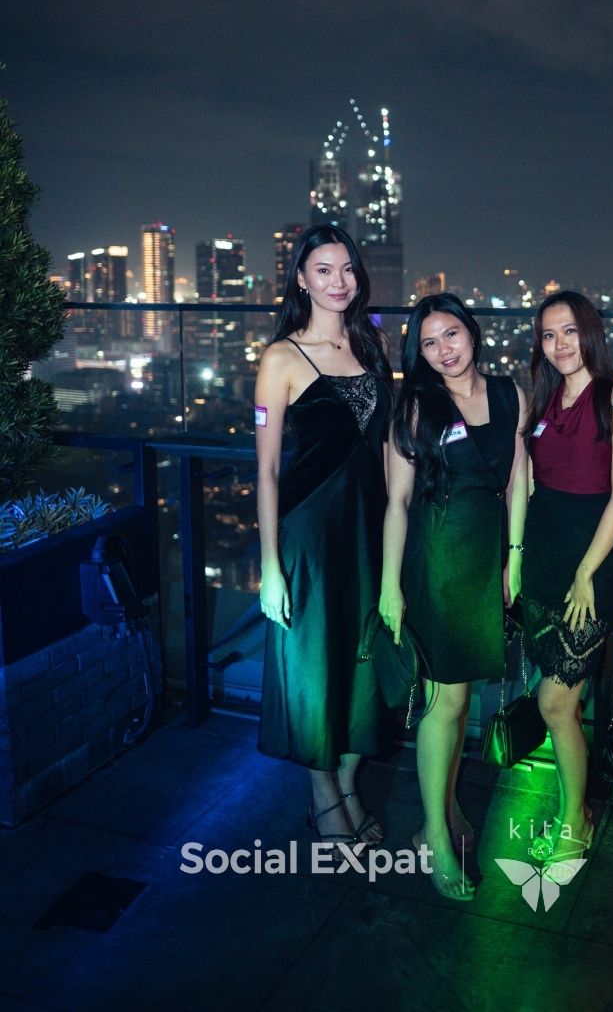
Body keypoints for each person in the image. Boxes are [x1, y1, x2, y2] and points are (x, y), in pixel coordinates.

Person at [380, 294, 527, 900]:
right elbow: (397, 502)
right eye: (429, 342)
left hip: (486, 561)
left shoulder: (510, 394)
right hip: (437, 563)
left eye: (452, 334)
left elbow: (518, 481)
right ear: (418, 352)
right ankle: (434, 836)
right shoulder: (416, 405)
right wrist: (390, 586)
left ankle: (444, 808)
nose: (444, 349)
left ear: (473, 332)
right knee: (445, 703)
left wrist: (514, 558)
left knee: (463, 702)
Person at [255, 224, 393, 852]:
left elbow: (387, 445)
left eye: (347, 269)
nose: (339, 281)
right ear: (302, 280)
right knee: (314, 667)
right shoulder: (281, 358)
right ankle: (324, 799)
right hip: (309, 532)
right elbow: (267, 469)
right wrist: (270, 565)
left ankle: (348, 785)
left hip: (368, 528)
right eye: (324, 270)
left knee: (364, 662)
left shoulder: (372, 342)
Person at [519, 291, 613, 871]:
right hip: (542, 560)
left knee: (555, 699)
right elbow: (529, 484)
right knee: (560, 701)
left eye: (569, 331)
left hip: (590, 567)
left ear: (589, 333)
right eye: (548, 335)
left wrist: (588, 573)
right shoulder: (541, 398)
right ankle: (575, 807)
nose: (559, 344)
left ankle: (575, 817)